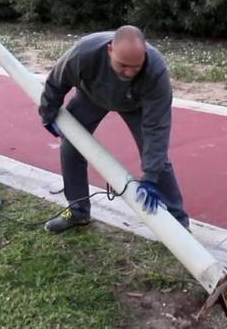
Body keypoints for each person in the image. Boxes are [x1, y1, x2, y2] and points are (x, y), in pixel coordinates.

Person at [38, 25, 189, 232]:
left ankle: (179, 223)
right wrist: (47, 114)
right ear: (110, 50)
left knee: (157, 158)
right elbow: (56, 81)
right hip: (92, 97)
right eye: (123, 65)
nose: (128, 72)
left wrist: (150, 177)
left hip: (135, 105)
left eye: (135, 67)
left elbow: (158, 127)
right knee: (70, 147)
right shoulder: (85, 53)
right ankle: (77, 211)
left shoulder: (155, 70)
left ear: (144, 55)